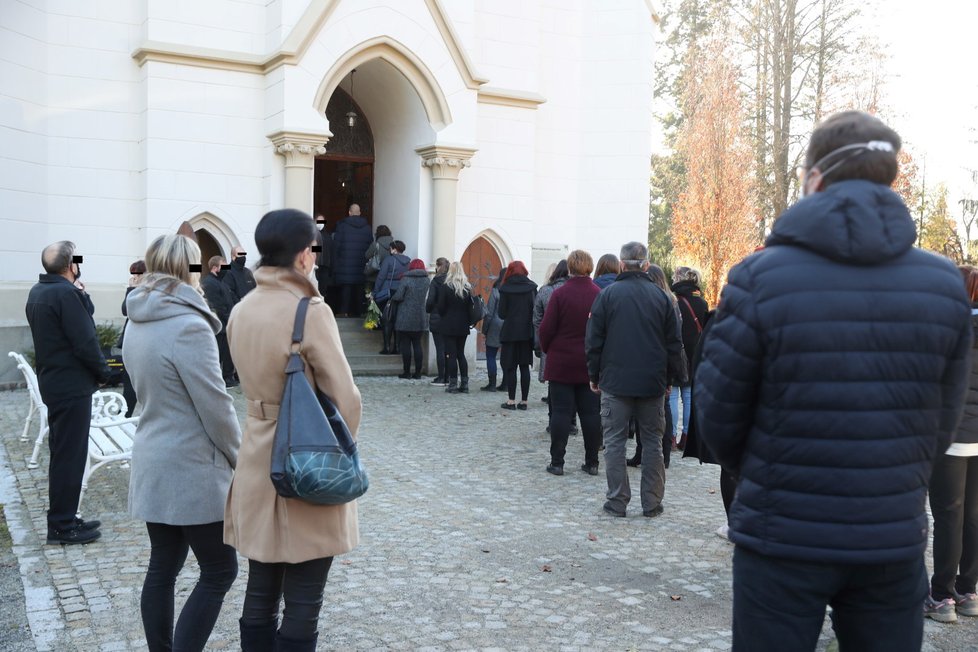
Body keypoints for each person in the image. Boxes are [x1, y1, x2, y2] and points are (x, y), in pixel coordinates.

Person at [694, 111, 972, 652]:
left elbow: (719, 414)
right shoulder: (943, 284)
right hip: (890, 532)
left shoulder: (759, 277)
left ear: (814, 177)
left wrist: (772, 475)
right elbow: (943, 420)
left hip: (782, 535)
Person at [225, 209, 362, 651]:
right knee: (304, 599)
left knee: (260, 589)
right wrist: (343, 448)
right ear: (305, 255)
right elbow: (345, 398)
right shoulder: (310, 310)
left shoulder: (242, 308)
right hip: (307, 454)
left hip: (256, 458)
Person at [124, 234, 241, 652]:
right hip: (191, 464)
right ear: (191, 270)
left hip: (154, 450)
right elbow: (216, 405)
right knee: (219, 569)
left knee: (163, 566)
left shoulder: (137, 318)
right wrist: (239, 457)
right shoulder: (189, 325)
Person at [585, 241, 685, 519]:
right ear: (645, 265)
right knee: (652, 441)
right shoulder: (661, 297)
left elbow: (594, 340)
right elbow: (673, 344)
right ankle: (651, 502)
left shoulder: (607, 296)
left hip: (615, 382)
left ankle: (618, 501)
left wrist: (594, 374)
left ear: (621, 264)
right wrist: (670, 378)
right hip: (651, 382)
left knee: (615, 442)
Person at [25, 241, 109, 545]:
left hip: (55, 383)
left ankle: (65, 516)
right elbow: (86, 341)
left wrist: (81, 293)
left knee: (63, 453)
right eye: (76, 260)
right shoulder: (64, 294)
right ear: (70, 264)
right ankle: (61, 525)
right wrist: (104, 373)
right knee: (70, 456)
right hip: (71, 386)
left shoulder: (40, 291)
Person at [925, 265, 978, 622]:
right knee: (974, 516)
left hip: (952, 434)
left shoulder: (946, 328)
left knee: (948, 515)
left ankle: (942, 596)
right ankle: (969, 591)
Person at [538, 250, 602, 476]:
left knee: (561, 413)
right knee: (591, 414)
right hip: (590, 363)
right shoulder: (599, 294)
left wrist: (549, 349)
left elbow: (546, 329)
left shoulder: (559, 294)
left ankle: (557, 462)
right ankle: (592, 461)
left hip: (562, 361)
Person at [627, 264, 681, 470]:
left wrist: (670, 374)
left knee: (660, 411)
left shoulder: (666, 302)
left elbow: (672, 339)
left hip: (660, 363)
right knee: (651, 412)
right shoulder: (667, 301)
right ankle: (646, 453)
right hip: (658, 363)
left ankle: (662, 454)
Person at [670, 267, 708, 450]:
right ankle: (686, 436)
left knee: (672, 396)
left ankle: (670, 437)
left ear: (679, 279)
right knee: (688, 396)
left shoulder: (673, 300)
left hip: (676, 351)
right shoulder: (702, 302)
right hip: (695, 353)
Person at [498, 261, 537, 410]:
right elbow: (535, 310)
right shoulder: (532, 288)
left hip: (510, 333)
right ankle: (524, 402)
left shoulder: (505, 289)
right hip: (527, 332)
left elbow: (501, 314)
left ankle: (511, 401)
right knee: (524, 367)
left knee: (511, 367)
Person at [534, 260, 569, 418]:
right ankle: (572, 422)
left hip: (551, 343)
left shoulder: (545, 290)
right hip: (574, 344)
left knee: (553, 379)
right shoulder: (577, 290)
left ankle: (552, 419)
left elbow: (537, 319)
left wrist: (541, 342)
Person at [201, 255, 238, 387]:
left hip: (227, 325)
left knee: (228, 353)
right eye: (223, 266)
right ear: (214, 268)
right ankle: (217, 380)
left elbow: (229, 301)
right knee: (219, 355)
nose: (226, 269)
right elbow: (218, 306)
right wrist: (229, 319)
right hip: (220, 326)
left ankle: (228, 377)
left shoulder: (221, 282)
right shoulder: (209, 283)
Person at [437, 261, 474, 394]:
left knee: (451, 355)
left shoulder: (446, 287)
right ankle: (464, 385)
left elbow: (440, 307)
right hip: (463, 325)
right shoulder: (467, 288)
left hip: (449, 324)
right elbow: (471, 308)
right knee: (460, 354)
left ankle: (453, 384)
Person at [392, 258, 430, 379]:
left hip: (405, 316)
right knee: (417, 344)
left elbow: (398, 296)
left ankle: (407, 372)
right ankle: (418, 373)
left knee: (406, 345)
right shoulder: (426, 280)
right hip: (420, 315)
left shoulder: (406, 279)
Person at [332, 203, 372, 317]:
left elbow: (336, 246)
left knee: (346, 290)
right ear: (359, 213)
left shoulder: (342, 226)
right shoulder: (368, 228)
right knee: (359, 290)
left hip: (345, 266)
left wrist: (335, 264)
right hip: (361, 265)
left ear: (349, 212)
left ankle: (344, 311)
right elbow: (370, 247)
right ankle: (359, 312)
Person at [119, 259, 146, 418]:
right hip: (131, 340)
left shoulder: (149, 289)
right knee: (128, 381)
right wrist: (131, 289)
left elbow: (133, 310)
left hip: (143, 340)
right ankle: (124, 415)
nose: (135, 277)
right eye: (133, 274)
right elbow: (125, 310)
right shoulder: (134, 289)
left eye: (138, 273)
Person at [374, 240, 410, 355]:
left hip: (388, 292)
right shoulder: (408, 261)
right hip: (402, 293)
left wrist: (375, 292)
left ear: (394, 249)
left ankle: (387, 347)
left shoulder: (389, 260)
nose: (390, 250)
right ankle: (397, 347)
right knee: (397, 320)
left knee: (387, 320)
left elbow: (381, 277)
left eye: (391, 248)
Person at [480, 268, 505, 391]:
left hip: (495, 325)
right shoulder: (512, 291)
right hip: (508, 326)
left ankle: (492, 384)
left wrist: (485, 329)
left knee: (491, 355)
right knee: (506, 356)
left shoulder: (496, 291)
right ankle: (506, 383)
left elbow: (489, 313)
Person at [426, 257, 450, 386]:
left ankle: (441, 377)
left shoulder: (435, 281)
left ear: (438, 267)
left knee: (440, 349)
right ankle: (448, 377)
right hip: (449, 319)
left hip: (437, 317)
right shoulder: (451, 280)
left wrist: (428, 309)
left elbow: (430, 301)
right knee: (448, 349)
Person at [314, 215, 334, 300]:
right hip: (315, 267)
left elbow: (330, 251)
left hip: (325, 266)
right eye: (318, 221)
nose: (320, 224)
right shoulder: (312, 235)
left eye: (322, 221)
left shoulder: (327, 236)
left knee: (322, 290)